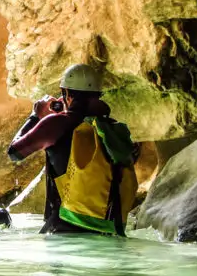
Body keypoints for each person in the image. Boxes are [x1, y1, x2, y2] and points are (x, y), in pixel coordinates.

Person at [7, 64, 139, 236]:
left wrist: (36, 116)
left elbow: (14, 152)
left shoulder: (57, 123)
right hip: (110, 231)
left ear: (66, 94)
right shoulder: (111, 129)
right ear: (98, 95)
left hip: (67, 228)